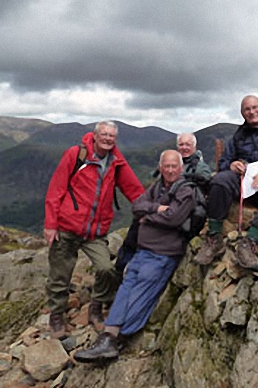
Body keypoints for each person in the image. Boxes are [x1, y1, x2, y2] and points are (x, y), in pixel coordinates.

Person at [74, 150, 195, 362]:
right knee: (125, 289)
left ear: (181, 167)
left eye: (174, 166)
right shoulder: (157, 187)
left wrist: (148, 219)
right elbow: (137, 206)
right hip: (142, 251)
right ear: (160, 167)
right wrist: (157, 208)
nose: (169, 170)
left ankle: (119, 338)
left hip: (162, 254)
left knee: (141, 294)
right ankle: (108, 337)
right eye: (166, 166)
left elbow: (174, 218)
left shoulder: (186, 191)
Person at [44, 121, 144, 338]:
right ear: (95, 135)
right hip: (67, 226)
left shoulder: (116, 161)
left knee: (106, 269)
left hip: (95, 231)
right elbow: (56, 188)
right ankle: (57, 315)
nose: (108, 139)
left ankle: (96, 307)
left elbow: (133, 188)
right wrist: (51, 224)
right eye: (104, 135)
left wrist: (149, 210)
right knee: (60, 274)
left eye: (112, 136)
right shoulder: (76, 154)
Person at [192, 95, 258, 271]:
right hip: (244, 180)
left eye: (255, 108)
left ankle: (250, 241)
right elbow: (225, 160)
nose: (252, 112)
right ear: (243, 113)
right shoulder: (239, 135)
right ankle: (214, 237)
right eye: (247, 109)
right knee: (220, 180)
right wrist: (231, 165)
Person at [114, 132, 212, 273]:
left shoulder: (199, 166)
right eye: (181, 144)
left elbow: (205, 177)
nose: (184, 147)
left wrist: (147, 216)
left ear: (194, 147)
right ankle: (122, 265)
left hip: (182, 209)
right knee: (135, 225)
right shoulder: (173, 163)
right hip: (162, 206)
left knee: (144, 223)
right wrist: (155, 208)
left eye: (187, 144)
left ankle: (131, 265)